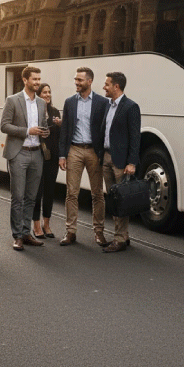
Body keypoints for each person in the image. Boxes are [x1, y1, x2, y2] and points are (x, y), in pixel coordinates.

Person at [58, 67, 109, 247]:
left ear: (89, 81)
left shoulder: (103, 102)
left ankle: (99, 232)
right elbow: (65, 130)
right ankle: (70, 232)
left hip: (94, 152)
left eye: (80, 80)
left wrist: (103, 153)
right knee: (72, 193)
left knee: (97, 194)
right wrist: (62, 155)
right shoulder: (70, 102)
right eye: (75, 80)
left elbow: (105, 129)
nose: (76, 83)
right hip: (75, 150)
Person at [1, 66, 48, 251]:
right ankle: (17, 235)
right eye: (34, 79)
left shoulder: (42, 103)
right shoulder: (13, 100)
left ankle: (27, 233)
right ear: (25, 80)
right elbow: (4, 126)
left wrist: (45, 131)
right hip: (18, 152)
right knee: (18, 197)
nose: (37, 82)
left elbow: (43, 126)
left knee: (32, 197)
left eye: (39, 79)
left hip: (37, 153)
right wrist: (27, 131)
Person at [100, 72, 141, 253]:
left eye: (107, 84)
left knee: (121, 200)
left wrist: (132, 162)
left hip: (121, 161)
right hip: (106, 158)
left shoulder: (131, 107)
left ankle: (119, 239)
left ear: (116, 86)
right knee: (114, 200)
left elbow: (135, 137)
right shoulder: (108, 105)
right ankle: (123, 235)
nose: (104, 87)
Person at [32, 83, 61, 239]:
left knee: (50, 191)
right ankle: (36, 225)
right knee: (37, 192)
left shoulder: (55, 111)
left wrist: (60, 125)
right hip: (38, 155)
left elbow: (60, 135)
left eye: (49, 92)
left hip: (52, 157)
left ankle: (47, 224)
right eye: (44, 92)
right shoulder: (34, 110)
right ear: (38, 94)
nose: (47, 95)